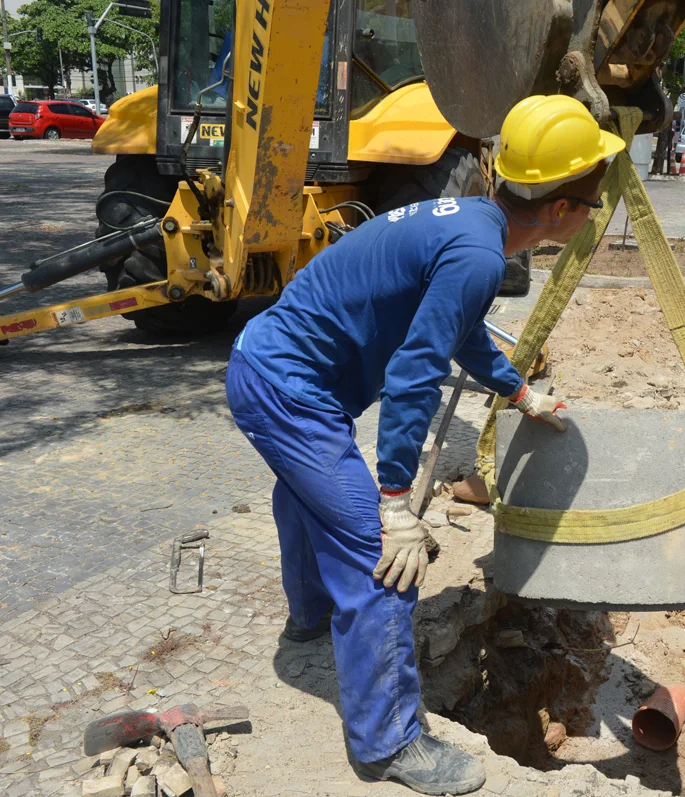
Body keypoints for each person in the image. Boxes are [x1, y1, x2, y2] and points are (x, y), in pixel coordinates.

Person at [224, 95, 624, 795]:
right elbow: (416, 373)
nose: (590, 215)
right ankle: (390, 745)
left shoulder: (472, 222)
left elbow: (458, 330)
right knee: (380, 558)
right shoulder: (476, 254)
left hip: (265, 366)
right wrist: (394, 500)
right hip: (287, 390)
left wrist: (518, 392)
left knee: (305, 496)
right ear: (562, 211)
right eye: (593, 203)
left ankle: (308, 621)